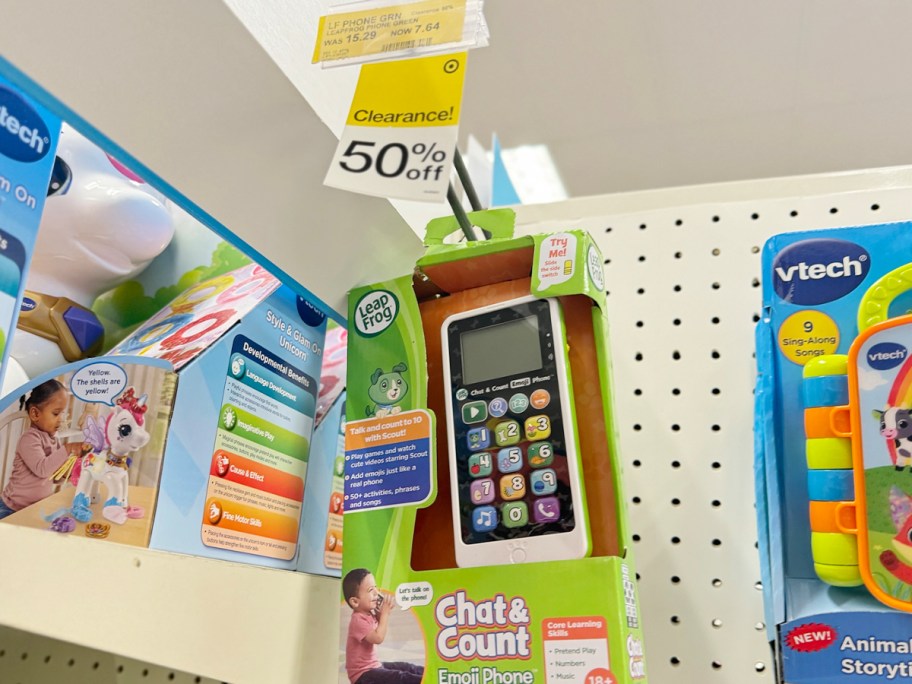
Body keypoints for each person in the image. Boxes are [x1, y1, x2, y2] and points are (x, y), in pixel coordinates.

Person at [0, 379, 70, 519]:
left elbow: (52, 476)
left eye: (62, 413)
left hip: (36, 508)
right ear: (35, 414)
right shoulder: (29, 439)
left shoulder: (54, 440)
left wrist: (64, 473)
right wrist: (67, 449)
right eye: (56, 414)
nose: (60, 419)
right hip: (12, 508)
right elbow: (42, 469)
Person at [343, 568, 424, 684]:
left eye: (376, 587)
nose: (376, 592)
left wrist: (381, 614)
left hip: (374, 666)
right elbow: (378, 638)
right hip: (362, 676)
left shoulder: (369, 613)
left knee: (407, 667)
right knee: (400, 677)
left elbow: (378, 626)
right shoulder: (357, 620)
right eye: (371, 590)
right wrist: (384, 614)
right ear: (355, 602)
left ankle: (430, 673)